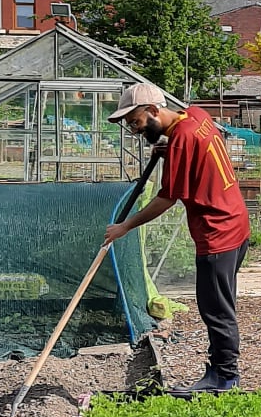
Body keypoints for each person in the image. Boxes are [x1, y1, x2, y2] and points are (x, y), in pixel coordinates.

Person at [103, 82, 251, 395]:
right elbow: (196, 146)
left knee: (216, 309)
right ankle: (222, 371)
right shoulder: (196, 117)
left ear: (154, 110)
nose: (136, 131)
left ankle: (225, 378)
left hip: (217, 233)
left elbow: (167, 198)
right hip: (236, 224)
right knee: (220, 305)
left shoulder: (181, 138)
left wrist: (125, 226)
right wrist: (170, 148)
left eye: (137, 123)